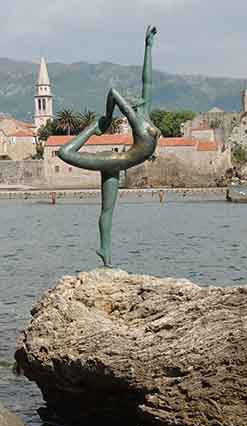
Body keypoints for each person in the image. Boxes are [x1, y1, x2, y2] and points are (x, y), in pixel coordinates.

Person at [57, 25, 160, 267]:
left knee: (108, 211)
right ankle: (92, 128)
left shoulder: (144, 113)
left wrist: (148, 47)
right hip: (112, 161)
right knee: (64, 153)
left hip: (118, 164)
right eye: (131, 101)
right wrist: (104, 120)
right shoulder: (136, 121)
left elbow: (148, 80)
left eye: (135, 99)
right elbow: (113, 93)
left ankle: (105, 252)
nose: (134, 99)